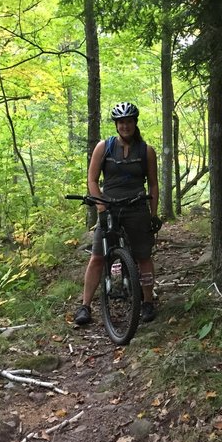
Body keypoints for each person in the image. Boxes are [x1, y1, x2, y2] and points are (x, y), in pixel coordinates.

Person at [75, 102, 162, 325]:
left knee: (143, 256)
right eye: (121, 122)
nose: (125, 126)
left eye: (129, 121)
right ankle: (85, 306)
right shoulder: (104, 147)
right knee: (97, 257)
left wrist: (153, 214)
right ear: (116, 125)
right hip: (109, 205)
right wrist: (101, 207)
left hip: (136, 206)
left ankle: (148, 301)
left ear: (135, 123)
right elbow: (92, 180)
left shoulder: (146, 151)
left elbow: (153, 185)